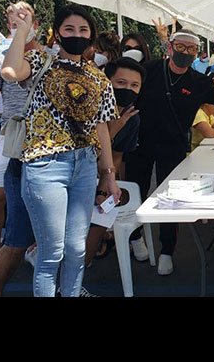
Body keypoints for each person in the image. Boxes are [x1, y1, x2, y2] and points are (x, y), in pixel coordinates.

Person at [1, 3, 121, 297]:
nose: (77, 35)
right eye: (69, 29)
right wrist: (22, 31)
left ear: (91, 35)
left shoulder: (98, 77)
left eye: (83, 29)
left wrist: (109, 174)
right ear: (57, 33)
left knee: (77, 249)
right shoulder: (40, 61)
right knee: (51, 252)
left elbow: (101, 128)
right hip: (45, 165)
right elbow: (10, 71)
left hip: (85, 165)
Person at [125, 23, 214, 276]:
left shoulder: (198, 81)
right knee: (136, 191)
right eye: (180, 47)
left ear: (196, 53)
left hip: (172, 146)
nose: (185, 52)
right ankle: (135, 237)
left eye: (191, 49)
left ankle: (167, 250)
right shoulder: (150, 70)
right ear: (170, 47)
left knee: (171, 198)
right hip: (140, 143)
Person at [0, 2, 43, 293]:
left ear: (36, 24)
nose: (21, 26)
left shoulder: (48, 57)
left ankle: (31, 248)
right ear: (9, 27)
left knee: (40, 201)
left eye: (26, 20)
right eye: (15, 23)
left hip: (43, 138)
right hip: (10, 136)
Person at [83, 56, 145, 271]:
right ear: (107, 82)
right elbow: (88, 153)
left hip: (100, 177)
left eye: (134, 85)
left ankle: (80, 271)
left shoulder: (132, 117)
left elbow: (115, 159)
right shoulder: (89, 108)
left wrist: (104, 192)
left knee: (103, 213)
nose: (127, 89)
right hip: (75, 175)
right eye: (121, 83)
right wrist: (113, 129)